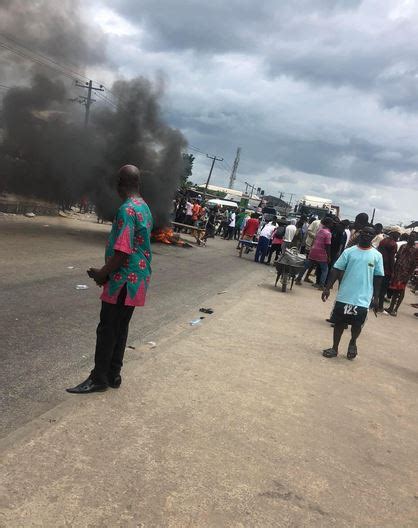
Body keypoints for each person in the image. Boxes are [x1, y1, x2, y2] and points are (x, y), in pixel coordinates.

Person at [67, 165, 153, 393]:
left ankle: (99, 379)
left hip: (124, 279)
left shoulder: (127, 210)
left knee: (107, 328)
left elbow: (123, 251)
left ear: (120, 183)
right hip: (137, 280)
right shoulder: (144, 207)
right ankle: (114, 374)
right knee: (120, 327)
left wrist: (102, 273)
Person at [321, 226, 384, 360]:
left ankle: (353, 342)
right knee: (339, 323)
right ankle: (334, 348)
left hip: (363, 297)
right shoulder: (349, 252)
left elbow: (378, 277)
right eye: (364, 232)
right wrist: (327, 287)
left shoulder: (377, 256)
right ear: (360, 234)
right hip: (345, 295)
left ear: (373, 237)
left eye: (370, 233)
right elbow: (336, 269)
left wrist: (376, 297)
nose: (366, 235)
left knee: (357, 324)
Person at [385, 232, 418, 316]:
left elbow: (414, 264)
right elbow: (398, 257)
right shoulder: (403, 246)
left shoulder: (415, 250)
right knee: (394, 290)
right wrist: (393, 271)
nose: (411, 238)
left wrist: (408, 275)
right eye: (410, 236)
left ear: (415, 239)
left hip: (405, 274)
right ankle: (391, 308)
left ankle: (395, 310)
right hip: (397, 272)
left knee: (401, 291)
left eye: (413, 237)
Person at [296, 217, 333, 288]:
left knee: (305, 266)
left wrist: (311, 248)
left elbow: (314, 240)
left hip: (313, 251)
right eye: (331, 223)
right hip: (322, 254)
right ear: (328, 224)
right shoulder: (328, 233)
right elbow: (327, 246)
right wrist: (328, 256)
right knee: (325, 269)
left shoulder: (319, 231)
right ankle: (321, 286)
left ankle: (298, 279)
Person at [377, 230, 400, 312]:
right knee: (383, 289)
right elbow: (391, 258)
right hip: (387, 269)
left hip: (379, 266)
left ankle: (372, 304)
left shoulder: (383, 241)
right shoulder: (393, 244)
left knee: (376, 286)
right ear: (396, 237)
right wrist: (393, 271)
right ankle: (380, 307)